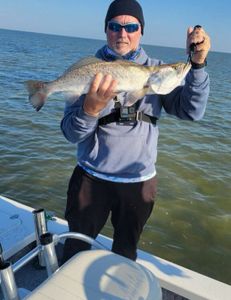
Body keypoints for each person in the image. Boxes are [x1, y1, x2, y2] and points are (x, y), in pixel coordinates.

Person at [61, 0, 210, 263]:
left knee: (125, 254)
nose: (122, 33)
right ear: (106, 29)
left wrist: (196, 66)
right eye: (115, 26)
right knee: (75, 249)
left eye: (131, 26)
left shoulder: (157, 70)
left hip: (138, 183)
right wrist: (90, 110)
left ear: (141, 30)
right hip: (90, 178)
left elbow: (192, 111)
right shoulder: (89, 71)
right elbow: (71, 133)